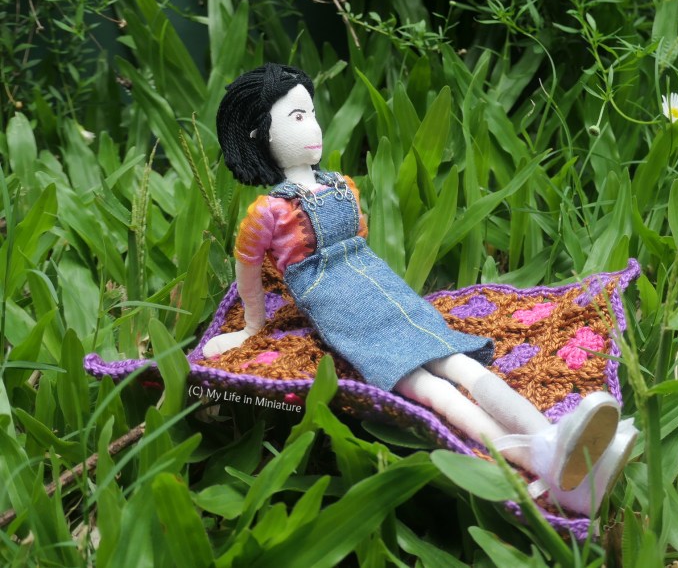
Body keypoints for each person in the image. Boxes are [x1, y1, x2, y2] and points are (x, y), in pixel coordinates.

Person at [203, 64, 635, 512]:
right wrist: (252, 325)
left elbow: (358, 243)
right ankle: (546, 461)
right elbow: (247, 266)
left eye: (311, 113)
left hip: (385, 291)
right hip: (341, 309)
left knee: (462, 365)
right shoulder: (267, 211)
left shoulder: (340, 185)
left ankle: (553, 440)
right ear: (259, 135)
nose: (313, 127)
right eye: (296, 117)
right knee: (428, 388)